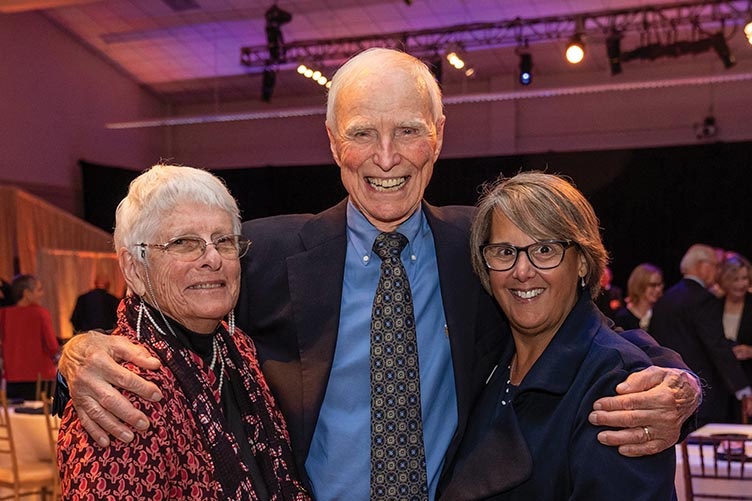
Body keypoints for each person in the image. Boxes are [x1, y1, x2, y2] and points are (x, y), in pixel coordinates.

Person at [57, 48, 700, 501]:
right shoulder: (263, 252)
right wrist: (76, 353)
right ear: (333, 140)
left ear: (439, 136)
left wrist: (684, 389)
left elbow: (586, 328)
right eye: (363, 133)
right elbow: (165, 304)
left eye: (408, 131)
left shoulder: (479, 245)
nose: (385, 158)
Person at [57, 164, 309, 500]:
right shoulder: (123, 389)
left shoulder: (239, 350)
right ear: (133, 267)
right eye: (183, 243)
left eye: (223, 241)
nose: (212, 258)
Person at [439, 171, 677, 500]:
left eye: (545, 250)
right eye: (505, 252)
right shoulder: (490, 358)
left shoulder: (618, 387)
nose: (522, 271)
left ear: (582, 261)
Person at [650, 244, 752, 425]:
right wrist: (742, 389)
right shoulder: (704, 299)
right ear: (704, 266)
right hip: (702, 392)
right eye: (715, 266)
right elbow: (715, 345)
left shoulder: (666, 298)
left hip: (667, 390)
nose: (717, 271)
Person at [0, 274, 59, 400]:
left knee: (15, 417)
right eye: (39, 290)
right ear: (26, 293)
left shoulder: (4, 315)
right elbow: (52, 347)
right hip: (40, 377)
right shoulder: (41, 313)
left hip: (12, 377)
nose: (42, 294)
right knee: (40, 417)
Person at [716, 253, 752, 386]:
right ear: (725, 280)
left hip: (748, 375)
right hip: (720, 379)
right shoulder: (714, 305)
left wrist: (750, 351)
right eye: (736, 279)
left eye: (745, 278)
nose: (741, 284)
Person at [614, 263, 664, 331]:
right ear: (639, 286)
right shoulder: (623, 318)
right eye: (653, 285)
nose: (658, 289)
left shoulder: (662, 314)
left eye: (660, 284)